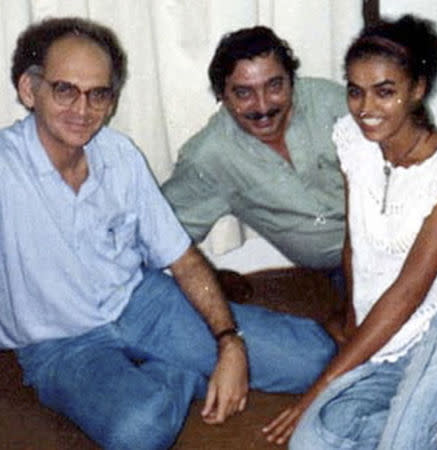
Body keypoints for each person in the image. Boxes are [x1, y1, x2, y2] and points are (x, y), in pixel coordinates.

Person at [0, 17, 337, 450]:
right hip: (62, 344)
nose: (82, 110)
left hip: (144, 302)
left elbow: (181, 258)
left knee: (315, 358)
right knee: (139, 431)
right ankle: (177, 372)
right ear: (30, 90)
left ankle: (175, 364)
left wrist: (229, 343)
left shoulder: (119, 155)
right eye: (65, 90)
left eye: (98, 94)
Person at [262, 14, 437, 449]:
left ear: (417, 89)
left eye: (385, 92)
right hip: (384, 336)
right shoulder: (355, 142)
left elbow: (408, 292)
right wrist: (351, 318)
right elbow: (355, 247)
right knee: (311, 442)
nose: (366, 108)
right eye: (355, 91)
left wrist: (317, 389)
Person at [162, 26, 348, 275]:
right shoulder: (210, 157)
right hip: (343, 271)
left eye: (274, 86)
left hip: (397, 239)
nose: (262, 106)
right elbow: (160, 235)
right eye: (244, 93)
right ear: (222, 95)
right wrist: (208, 277)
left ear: (292, 80)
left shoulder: (328, 101)